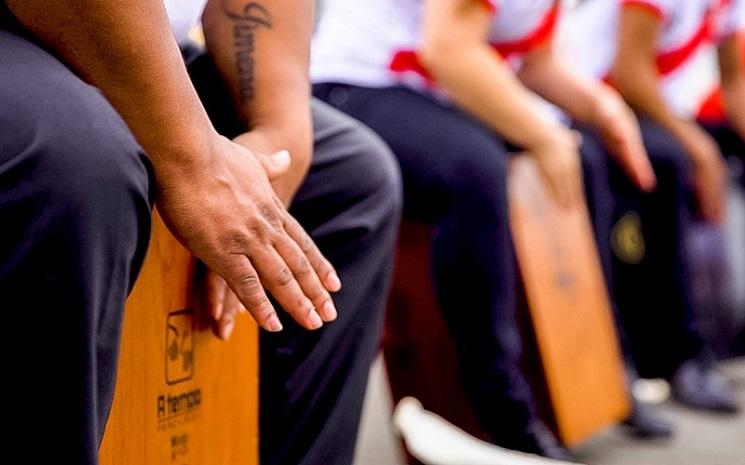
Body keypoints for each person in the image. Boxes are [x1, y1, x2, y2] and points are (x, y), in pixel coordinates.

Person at [0, 1, 401, 464]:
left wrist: (277, 133)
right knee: (74, 167)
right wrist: (195, 162)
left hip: (141, 38)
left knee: (345, 182)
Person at [312, 0, 668, 458]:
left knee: (585, 155)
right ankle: (496, 410)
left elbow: (536, 63)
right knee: (473, 169)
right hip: (356, 82)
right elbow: (449, 51)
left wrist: (603, 106)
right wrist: (542, 136)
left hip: (431, 86)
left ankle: (607, 376)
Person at [561, 0, 740, 414]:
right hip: (594, 101)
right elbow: (629, 73)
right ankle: (677, 353)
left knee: (703, 148)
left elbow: (735, 82)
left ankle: (724, 331)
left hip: (648, 109)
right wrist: (700, 148)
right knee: (672, 159)